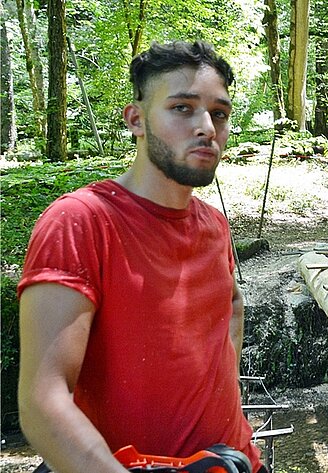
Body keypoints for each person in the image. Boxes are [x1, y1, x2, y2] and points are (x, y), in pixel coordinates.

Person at [17, 41, 263, 472]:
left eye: (219, 114)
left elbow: (230, 311)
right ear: (137, 119)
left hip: (235, 461)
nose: (206, 127)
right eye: (182, 108)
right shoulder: (81, 222)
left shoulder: (213, 225)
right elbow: (43, 401)